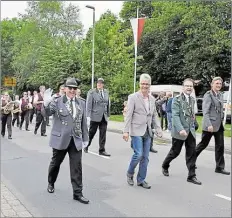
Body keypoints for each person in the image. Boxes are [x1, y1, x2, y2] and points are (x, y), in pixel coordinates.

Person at [44, 77, 89, 204]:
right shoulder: (57, 101)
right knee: (55, 163)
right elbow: (47, 113)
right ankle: (51, 182)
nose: (72, 90)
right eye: (70, 88)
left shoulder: (81, 102)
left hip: (76, 139)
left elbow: (83, 122)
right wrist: (46, 103)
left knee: (77, 167)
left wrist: (85, 139)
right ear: (65, 89)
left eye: (74, 88)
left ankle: (78, 193)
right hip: (61, 138)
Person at [123, 74, 162, 189]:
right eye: (143, 83)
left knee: (145, 157)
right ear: (139, 84)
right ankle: (130, 173)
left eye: (147, 84)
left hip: (147, 131)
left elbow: (154, 115)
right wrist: (126, 131)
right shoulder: (133, 97)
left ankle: (141, 180)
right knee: (138, 154)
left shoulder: (152, 99)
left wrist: (158, 129)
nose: (145, 86)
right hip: (136, 130)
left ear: (150, 85)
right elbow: (128, 115)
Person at [162, 78, 202, 185]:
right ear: (183, 87)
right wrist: (180, 129)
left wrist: (194, 123)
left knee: (191, 153)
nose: (189, 88)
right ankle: (165, 165)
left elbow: (191, 114)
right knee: (175, 152)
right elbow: (175, 116)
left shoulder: (193, 99)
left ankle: (191, 176)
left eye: (190, 86)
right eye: (187, 86)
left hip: (190, 132)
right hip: (179, 132)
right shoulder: (177, 99)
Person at [195, 77, 230, 175]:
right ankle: (191, 159)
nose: (218, 85)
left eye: (220, 83)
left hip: (218, 125)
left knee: (220, 146)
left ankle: (219, 167)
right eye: (217, 83)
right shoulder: (208, 95)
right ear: (212, 84)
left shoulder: (220, 94)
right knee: (203, 144)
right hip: (210, 126)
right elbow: (205, 112)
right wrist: (209, 124)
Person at [84, 78, 111, 157]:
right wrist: (88, 116)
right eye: (98, 83)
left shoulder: (106, 92)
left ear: (103, 84)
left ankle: (102, 150)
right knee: (91, 133)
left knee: (103, 134)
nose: (99, 84)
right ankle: (86, 145)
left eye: (101, 83)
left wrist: (108, 114)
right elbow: (88, 105)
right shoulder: (92, 92)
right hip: (95, 116)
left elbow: (108, 103)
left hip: (104, 116)